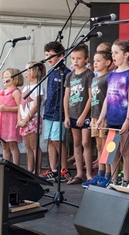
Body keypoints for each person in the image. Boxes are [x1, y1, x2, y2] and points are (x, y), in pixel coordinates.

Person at [97, 40, 129, 186]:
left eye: (116, 53)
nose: (113, 56)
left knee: (125, 150)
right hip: (112, 118)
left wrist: (128, 119)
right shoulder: (111, 74)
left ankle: (126, 180)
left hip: (123, 118)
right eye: (112, 53)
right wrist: (102, 116)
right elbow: (108, 97)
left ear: (125, 55)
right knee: (111, 151)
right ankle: (113, 179)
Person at [40, 41, 72, 182]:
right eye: (46, 55)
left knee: (57, 140)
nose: (48, 59)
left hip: (59, 112)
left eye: (51, 55)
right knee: (50, 141)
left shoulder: (66, 73)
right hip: (49, 111)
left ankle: (64, 169)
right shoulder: (50, 71)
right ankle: (53, 170)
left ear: (61, 55)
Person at [64, 43, 94, 184]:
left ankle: (88, 173)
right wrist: (66, 116)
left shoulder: (89, 74)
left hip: (85, 115)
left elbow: (91, 96)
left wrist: (83, 115)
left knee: (86, 142)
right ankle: (80, 173)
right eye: (73, 58)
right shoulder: (70, 75)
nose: (75, 61)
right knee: (76, 142)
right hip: (72, 113)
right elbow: (66, 96)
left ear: (86, 59)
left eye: (79, 58)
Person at [82, 50, 112, 188]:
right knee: (99, 146)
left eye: (98, 61)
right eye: (94, 61)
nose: (95, 63)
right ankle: (100, 173)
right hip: (94, 115)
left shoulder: (108, 77)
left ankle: (108, 174)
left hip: (103, 115)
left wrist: (104, 115)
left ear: (107, 62)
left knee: (107, 147)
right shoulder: (94, 78)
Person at [18, 61, 46, 173]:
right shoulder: (25, 88)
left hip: (32, 119)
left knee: (34, 145)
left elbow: (35, 107)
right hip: (24, 120)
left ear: (35, 72)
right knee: (28, 146)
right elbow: (20, 105)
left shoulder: (39, 87)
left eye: (28, 70)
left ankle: (37, 170)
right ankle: (30, 170)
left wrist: (26, 119)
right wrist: (20, 119)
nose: (26, 73)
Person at [1, 68, 23, 165]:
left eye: (6, 77)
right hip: (2, 123)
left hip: (11, 122)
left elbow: (20, 107)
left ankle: (15, 167)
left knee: (13, 146)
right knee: (4, 146)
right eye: (3, 77)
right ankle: (6, 166)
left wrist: (6, 109)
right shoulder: (2, 91)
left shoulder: (16, 92)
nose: (4, 79)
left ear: (14, 78)